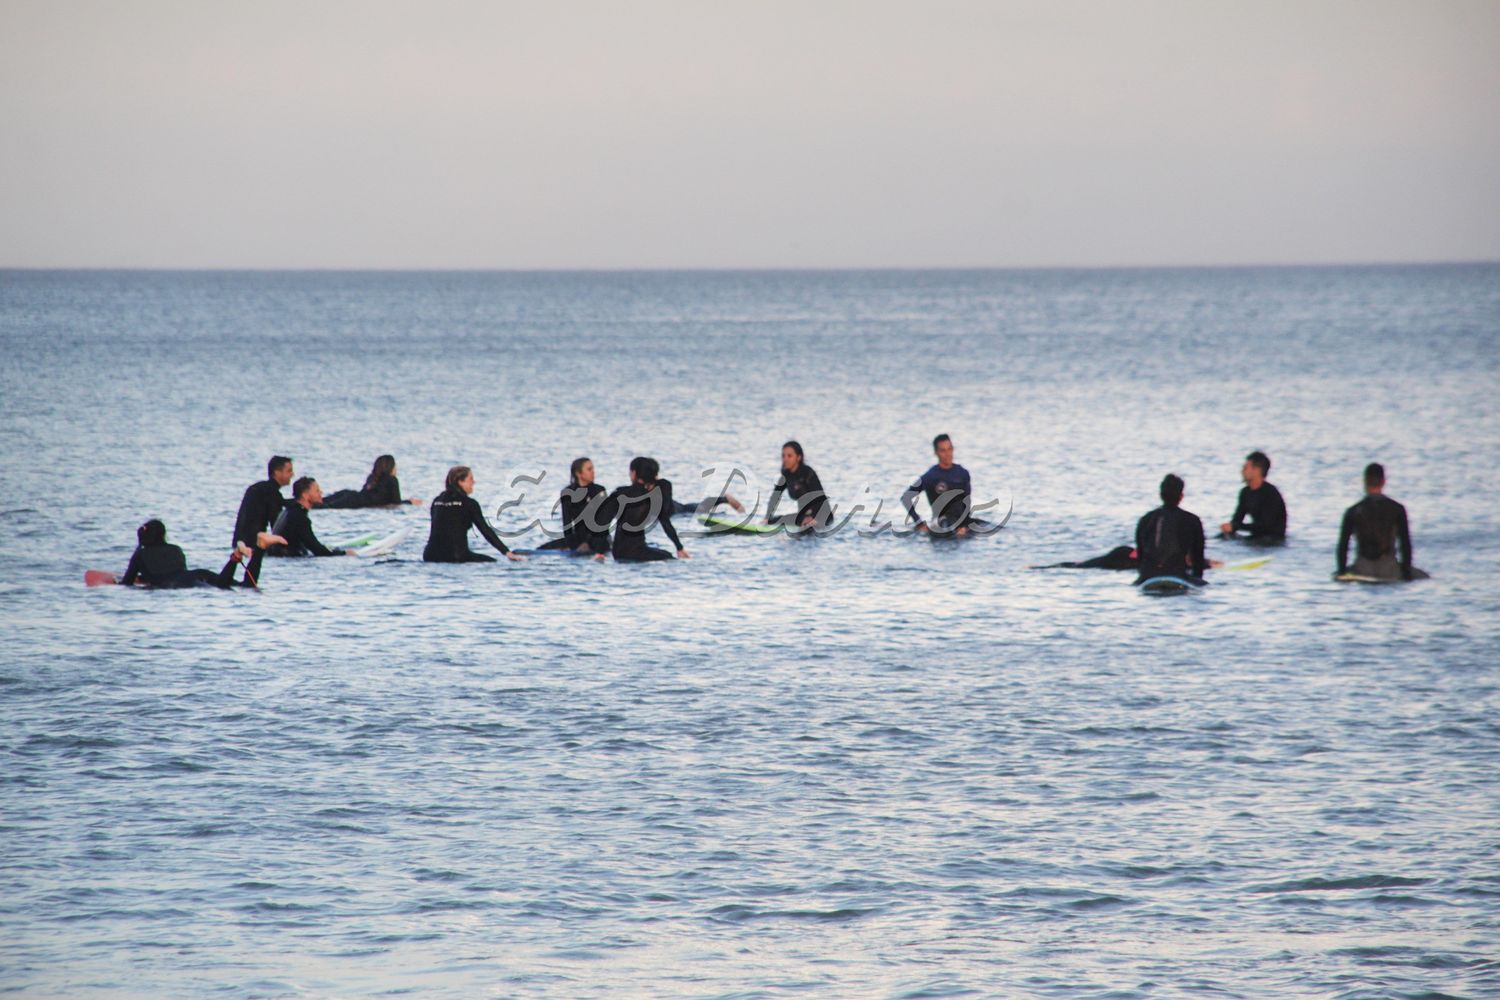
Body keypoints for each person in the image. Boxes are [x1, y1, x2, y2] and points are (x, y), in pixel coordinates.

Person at [1337, 463, 1426, 580]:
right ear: (1384, 482)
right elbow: (1405, 545)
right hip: (1389, 568)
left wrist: (1342, 572)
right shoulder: (1397, 509)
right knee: (1425, 577)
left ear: (1365, 482)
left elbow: (1343, 547)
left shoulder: (1353, 511)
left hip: (1362, 568)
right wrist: (1406, 572)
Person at [423, 465, 525, 563]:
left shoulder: (436, 501)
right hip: (456, 556)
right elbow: (485, 529)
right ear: (460, 482)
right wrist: (506, 552)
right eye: (471, 479)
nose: (474, 482)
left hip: (430, 555)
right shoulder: (469, 503)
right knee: (492, 562)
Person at [120, 520, 261, 589]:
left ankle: (243, 555)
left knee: (221, 588)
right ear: (163, 535)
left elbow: (127, 582)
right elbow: (171, 569)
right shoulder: (175, 549)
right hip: (196, 574)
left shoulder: (141, 554)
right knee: (241, 586)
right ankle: (257, 551)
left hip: (176, 584)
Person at [604, 457, 689, 562]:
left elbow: (604, 522)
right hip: (636, 551)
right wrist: (679, 548)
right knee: (668, 556)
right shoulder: (654, 497)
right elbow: (665, 522)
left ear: (634, 473)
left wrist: (600, 550)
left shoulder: (620, 493)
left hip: (617, 552)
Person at [233, 455, 294, 587]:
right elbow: (276, 525)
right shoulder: (272, 493)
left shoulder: (257, 488)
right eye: (289, 471)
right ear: (277, 472)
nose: (292, 474)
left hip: (239, 539)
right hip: (254, 542)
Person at [1136, 474, 1208, 584]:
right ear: (1181, 496)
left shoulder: (1145, 519)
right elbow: (1198, 558)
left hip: (1147, 577)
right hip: (1177, 575)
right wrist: (1198, 579)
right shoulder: (1192, 520)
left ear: (1160, 495)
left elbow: (1141, 555)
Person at [903, 434, 977, 535]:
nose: (948, 454)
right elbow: (906, 498)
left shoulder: (963, 473)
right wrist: (919, 523)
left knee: (996, 529)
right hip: (942, 521)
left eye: (949, 449)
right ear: (936, 453)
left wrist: (963, 526)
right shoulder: (931, 476)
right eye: (943, 450)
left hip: (962, 522)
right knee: (949, 530)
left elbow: (967, 504)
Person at [537, 457, 612, 557]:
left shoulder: (600, 491)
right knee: (540, 550)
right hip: (577, 538)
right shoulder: (567, 493)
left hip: (598, 538)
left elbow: (602, 523)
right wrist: (574, 545)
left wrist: (587, 543)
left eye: (593, 469)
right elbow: (567, 524)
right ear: (578, 473)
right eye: (589, 469)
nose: (593, 472)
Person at [268, 478, 357, 557]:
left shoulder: (288, 511)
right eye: (317, 491)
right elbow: (316, 549)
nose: (321, 493)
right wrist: (344, 554)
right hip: (288, 557)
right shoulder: (299, 518)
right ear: (305, 495)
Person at [1220, 450, 1287, 543]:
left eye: (1245, 468)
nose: (1242, 471)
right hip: (1256, 536)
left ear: (1257, 471)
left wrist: (1237, 526)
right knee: (1224, 536)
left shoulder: (1271, 494)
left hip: (1273, 538)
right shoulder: (1245, 492)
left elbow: (1266, 526)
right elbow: (1237, 519)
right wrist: (1230, 527)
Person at [765, 440, 829, 529]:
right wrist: (767, 517)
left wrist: (813, 518)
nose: (785, 459)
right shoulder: (785, 477)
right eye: (783, 456)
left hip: (822, 516)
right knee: (772, 521)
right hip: (803, 517)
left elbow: (818, 498)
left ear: (798, 457)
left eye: (789, 456)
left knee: (806, 531)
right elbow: (775, 497)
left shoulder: (808, 473)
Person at [320, 454, 424, 509]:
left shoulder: (373, 476)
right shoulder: (392, 480)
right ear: (391, 467)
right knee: (323, 507)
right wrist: (409, 502)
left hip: (349, 494)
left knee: (320, 502)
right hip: (355, 501)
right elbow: (395, 503)